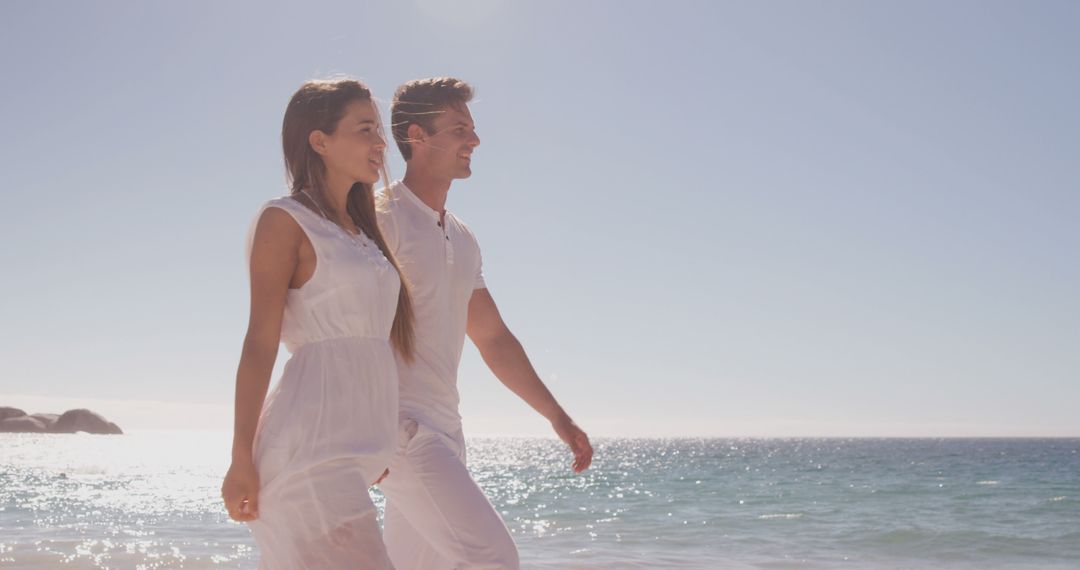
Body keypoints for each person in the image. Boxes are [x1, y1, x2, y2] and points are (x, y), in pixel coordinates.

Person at [375, 77, 594, 570]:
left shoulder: (462, 237)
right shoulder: (381, 218)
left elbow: (493, 337)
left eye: (472, 129)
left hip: (446, 431)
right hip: (401, 432)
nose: (474, 140)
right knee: (493, 557)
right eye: (459, 129)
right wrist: (360, 428)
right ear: (418, 136)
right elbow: (341, 326)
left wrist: (556, 416)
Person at [221, 78, 414, 569]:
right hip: (308, 457)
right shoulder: (284, 221)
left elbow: (369, 346)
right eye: (365, 129)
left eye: (379, 130)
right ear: (319, 140)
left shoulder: (364, 235)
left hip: (353, 456)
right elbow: (259, 344)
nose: (380, 144)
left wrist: (375, 438)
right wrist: (240, 458)